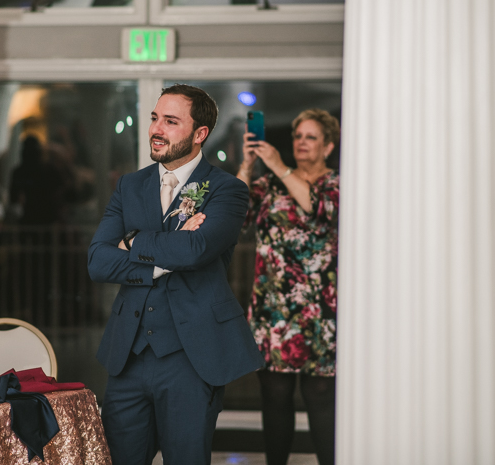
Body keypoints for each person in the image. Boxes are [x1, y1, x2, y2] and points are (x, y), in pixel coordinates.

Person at [88, 84, 263, 465]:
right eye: (154, 118)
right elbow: (98, 262)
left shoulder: (227, 190)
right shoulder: (130, 185)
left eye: (170, 121)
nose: (157, 128)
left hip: (192, 355)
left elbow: (197, 249)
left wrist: (131, 241)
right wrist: (166, 253)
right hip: (128, 357)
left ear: (200, 134)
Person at [237, 108, 339, 465]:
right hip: (274, 310)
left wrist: (280, 166)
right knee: (275, 396)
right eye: (298, 136)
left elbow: (317, 208)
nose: (301, 143)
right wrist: (248, 166)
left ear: (328, 146)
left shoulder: (336, 185)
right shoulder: (268, 187)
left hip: (321, 313)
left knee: (322, 397)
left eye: (310, 137)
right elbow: (236, 216)